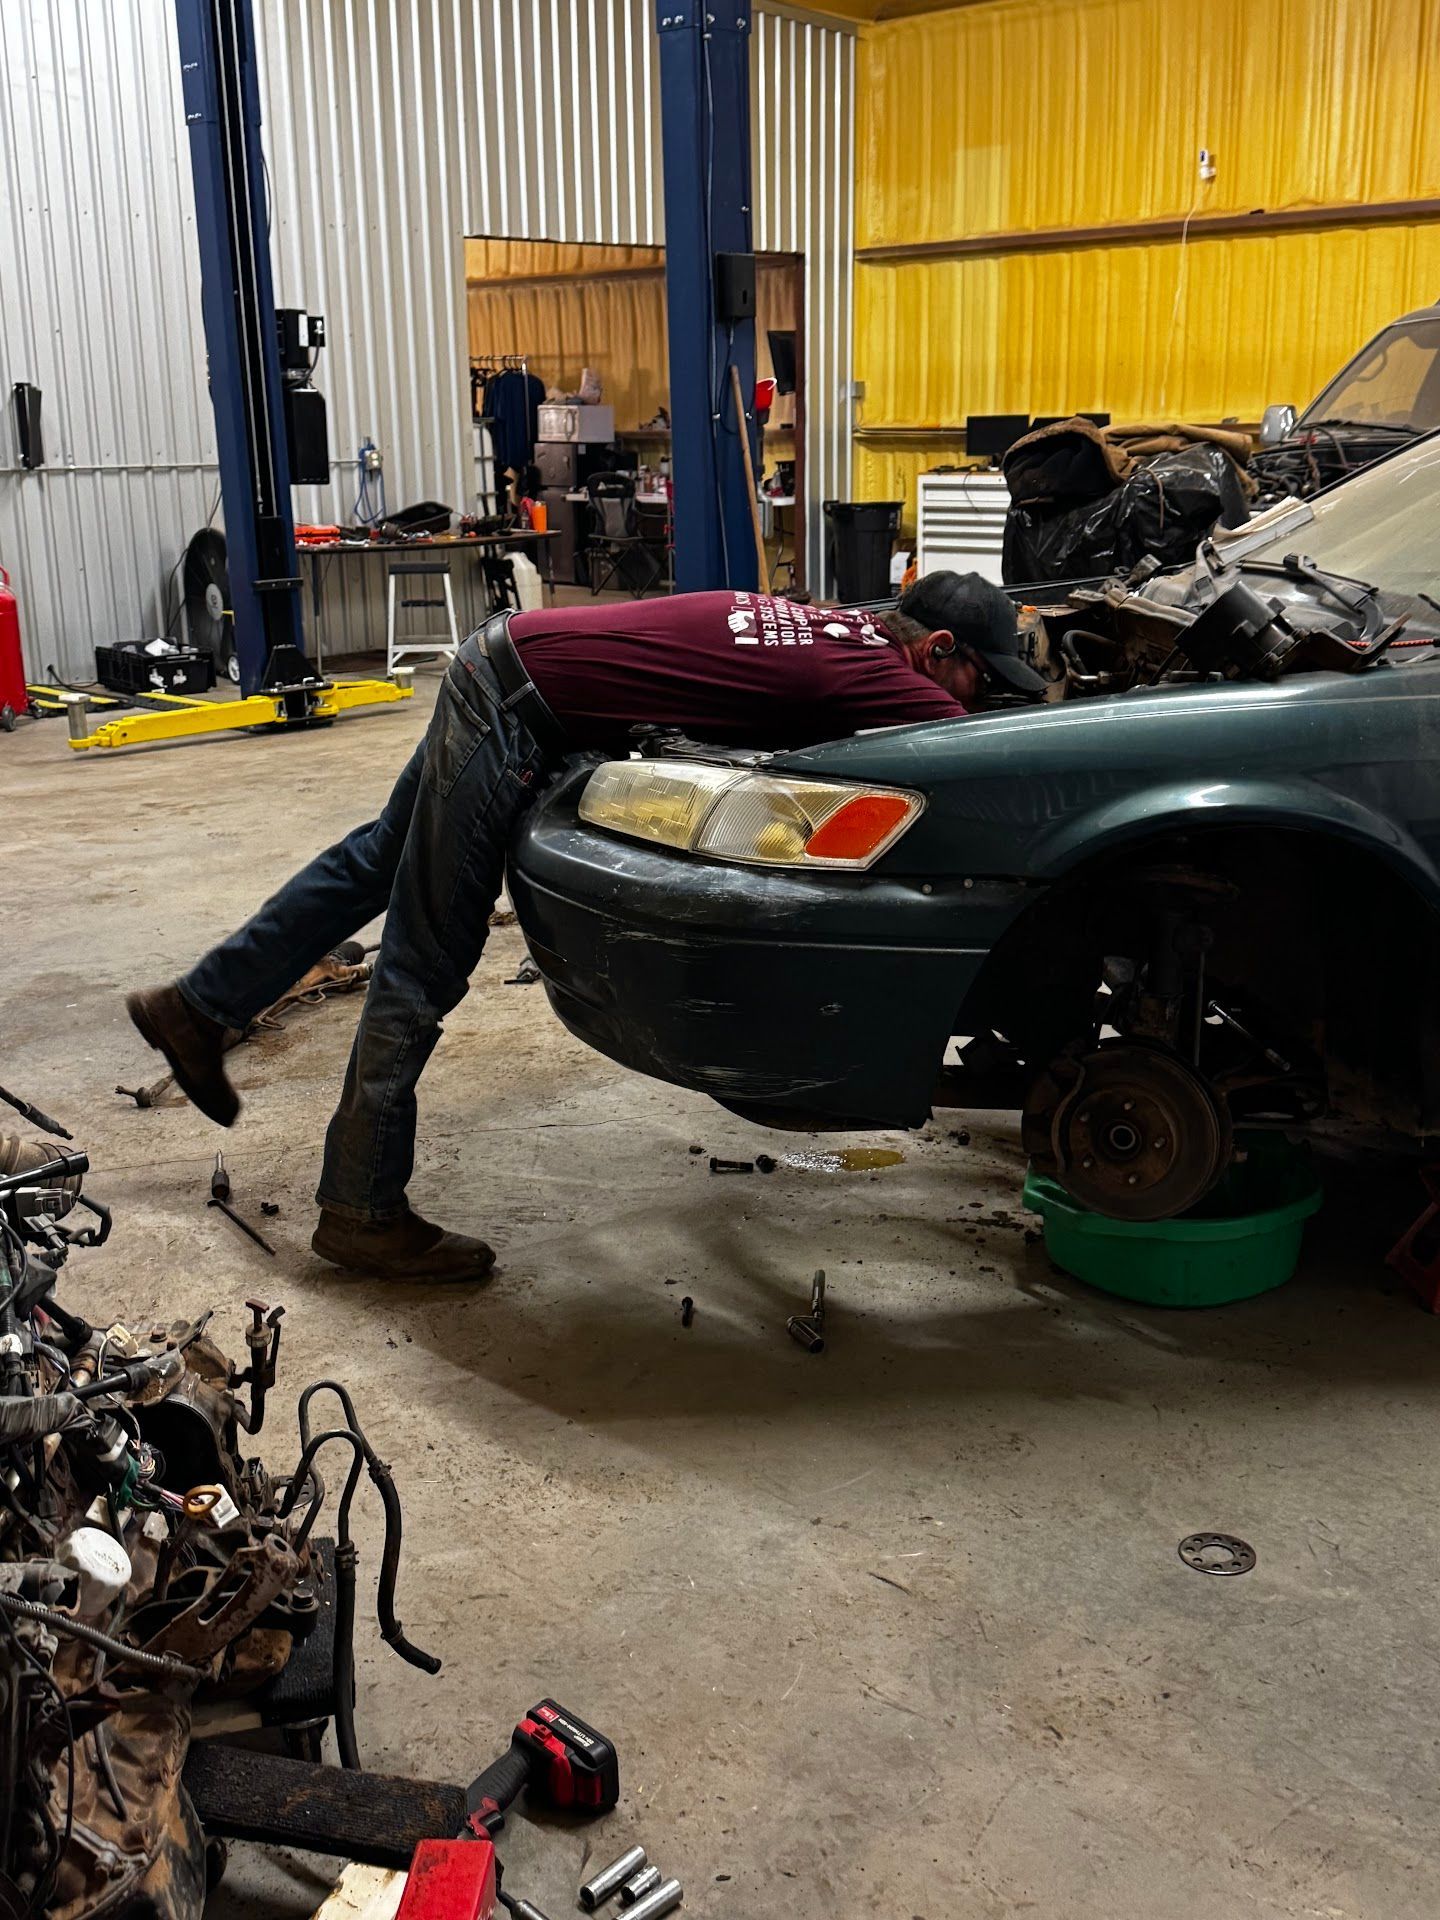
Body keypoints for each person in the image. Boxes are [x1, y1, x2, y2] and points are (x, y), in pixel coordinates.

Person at [127, 572, 1043, 1283]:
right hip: (513, 707)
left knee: (379, 857)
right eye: (978, 678)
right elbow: (977, 760)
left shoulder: (843, 626)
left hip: (501, 663)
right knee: (424, 959)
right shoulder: (877, 672)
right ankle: (360, 1211)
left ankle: (198, 1008)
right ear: (940, 649)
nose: (975, 696)